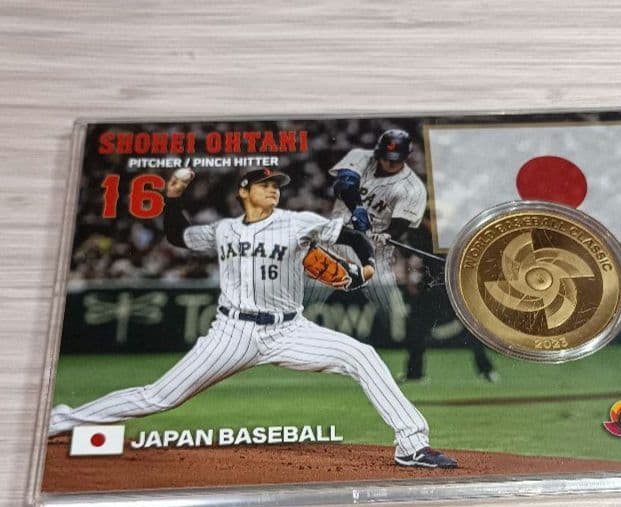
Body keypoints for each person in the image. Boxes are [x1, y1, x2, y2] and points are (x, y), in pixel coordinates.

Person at [48, 167, 457, 469]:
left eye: (276, 185)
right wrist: (172, 199)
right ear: (244, 192)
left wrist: (364, 266)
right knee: (159, 397)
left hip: (289, 330)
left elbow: (351, 237)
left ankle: (412, 444)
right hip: (233, 332)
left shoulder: (298, 223)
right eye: (264, 185)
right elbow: (178, 236)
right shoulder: (224, 230)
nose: (273, 190)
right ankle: (61, 420)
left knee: (361, 355)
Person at [305, 128, 497, 382]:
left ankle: (486, 370)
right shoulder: (363, 159)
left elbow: (401, 228)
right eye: (385, 157)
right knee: (416, 330)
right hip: (426, 287)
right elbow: (344, 183)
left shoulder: (432, 215)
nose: (389, 163)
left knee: (469, 329)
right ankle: (416, 374)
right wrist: (362, 214)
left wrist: (387, 233)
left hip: (451, 286)